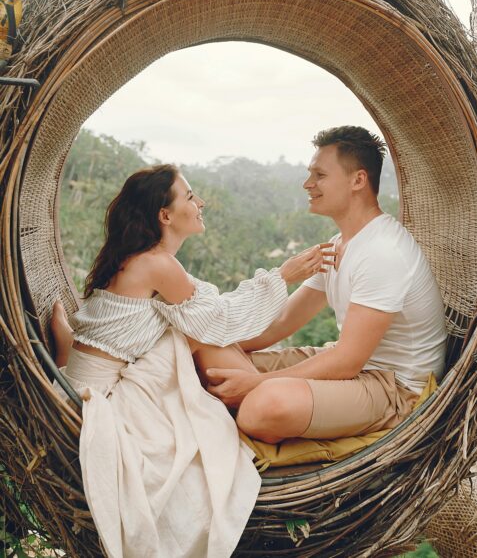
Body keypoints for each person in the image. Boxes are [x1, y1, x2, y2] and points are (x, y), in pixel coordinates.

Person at [50, 163, 333, 558]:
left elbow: (213, 317)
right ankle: (271, 407)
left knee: (184, 333)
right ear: (165, 216)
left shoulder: (142, 259)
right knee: (192, 336)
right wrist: (281, 276)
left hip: (90, 375)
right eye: (190, 196)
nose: (201, 202)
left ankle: (266, 396)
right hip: (102, 396)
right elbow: (221, 320)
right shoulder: (158, 264)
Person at [206, 126, 448, 445]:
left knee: (265, 405)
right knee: (209, 352)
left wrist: (255, 383)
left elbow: (348, 361)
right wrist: (222, 343)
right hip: (347, 369)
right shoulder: (338, 245)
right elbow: (280, 324)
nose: (308, 184)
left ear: (357, 180)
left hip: (394, 388)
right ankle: (245, 395)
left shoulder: (383, 252)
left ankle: (251, 403)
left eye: (319, 175)